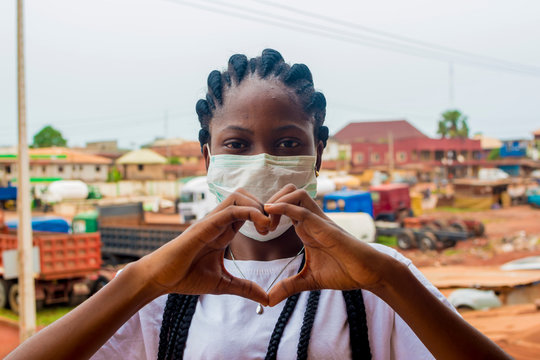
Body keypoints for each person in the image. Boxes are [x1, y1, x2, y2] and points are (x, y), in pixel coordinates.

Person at [7, 49, 509, 360]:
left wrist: (385, 279)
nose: (263, 162)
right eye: (237, 145)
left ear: (319, 156)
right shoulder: (163, 285)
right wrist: (140, 281)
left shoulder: (379, 280)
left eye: (288, 144)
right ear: (207, 156)